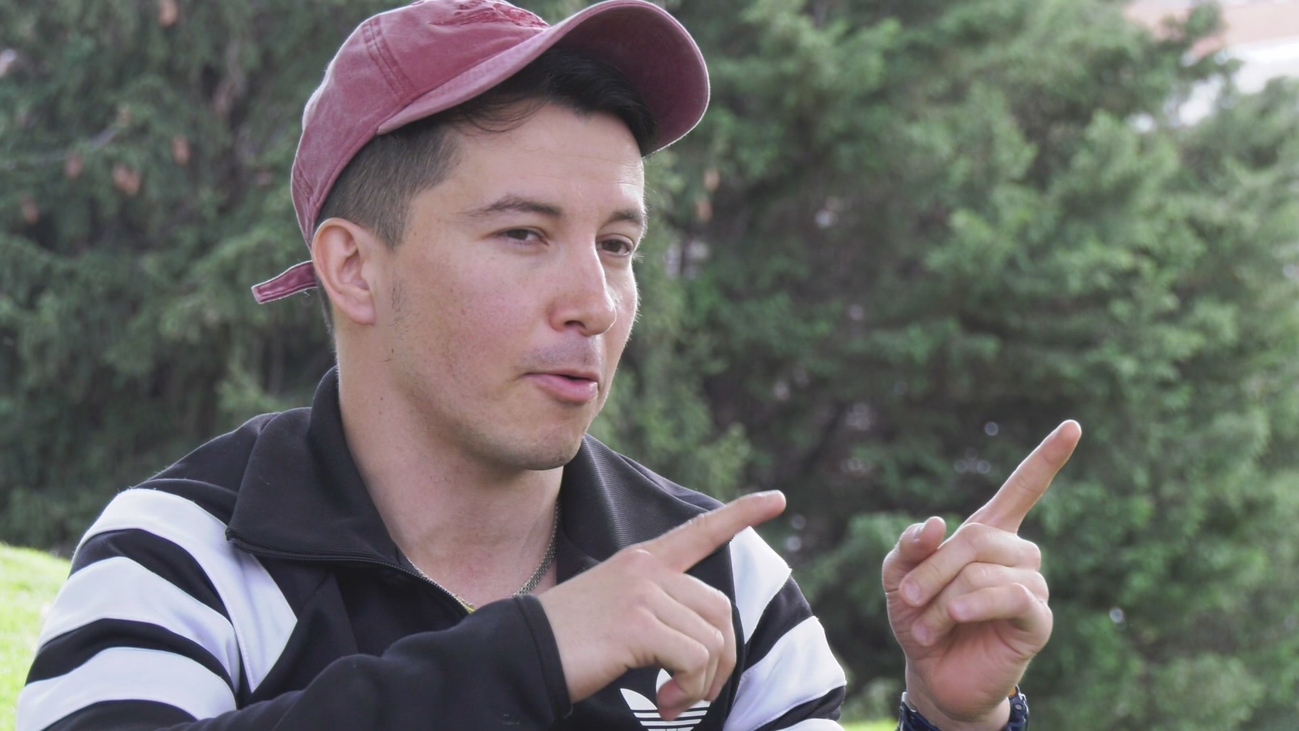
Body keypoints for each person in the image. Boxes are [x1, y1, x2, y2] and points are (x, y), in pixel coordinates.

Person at [16, 1, 1080, 729]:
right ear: (352, 266)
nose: (598, 301)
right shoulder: (180, 557)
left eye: (618, 244)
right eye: (524, 234)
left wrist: (957, 716)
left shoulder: (730, 581)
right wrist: (527, 656)